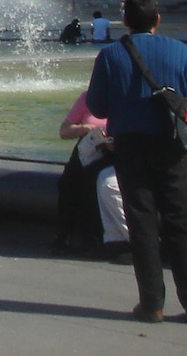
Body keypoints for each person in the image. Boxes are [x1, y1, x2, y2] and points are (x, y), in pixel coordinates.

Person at [87, 0, 187, 324]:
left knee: (142, 224)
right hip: (173, 147)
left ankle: (152, 304)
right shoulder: (179, 51)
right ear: (158, 19)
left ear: (125, 21)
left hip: (130, 148)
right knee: (181, 222)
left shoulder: (110, 56)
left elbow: (97, 107)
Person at [50, 91, 127, 259]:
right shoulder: (87, 98)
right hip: (88, 145)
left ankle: (93, 237)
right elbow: (64, 131)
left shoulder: (123, 99)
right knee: (69, 180)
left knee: (92, 178)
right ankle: (63, 235)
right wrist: (83, 128)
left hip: (113, 151)